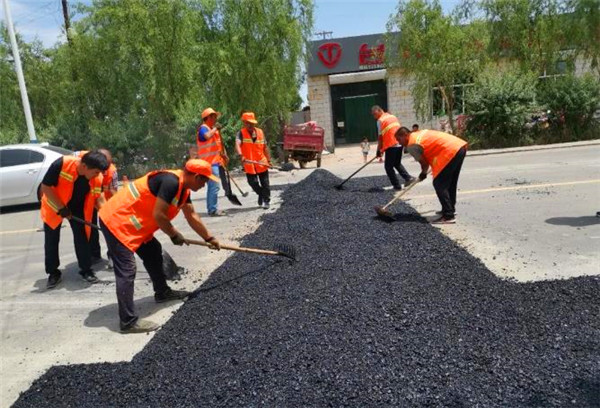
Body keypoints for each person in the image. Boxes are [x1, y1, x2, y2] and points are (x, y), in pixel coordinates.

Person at [98, 159, 222, 333]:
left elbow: (191, 214)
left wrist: (209, 238)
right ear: (195, 177)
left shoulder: (183, 188)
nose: (205, 185)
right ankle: (127, 322)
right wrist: (174, 234)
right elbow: (159, 215)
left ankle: (162, 292)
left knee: (153, 253)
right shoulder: (170, 182)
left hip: (136, 224)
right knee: (126, 270)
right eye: (205, 181)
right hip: (117, 221)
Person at [40, 151, 109, 289]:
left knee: (82, 236)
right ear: (84, 166)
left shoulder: (97, 177)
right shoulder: (62, 164)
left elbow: (99, 199)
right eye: (95, 172)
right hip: (55, 204)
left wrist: (109, 218)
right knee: (51, 238)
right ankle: (53, 272)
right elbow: (45, 187)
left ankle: (86, 270)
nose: (97, 175)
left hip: (78, 207)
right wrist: (61, 208)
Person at [395, 127, 467, 224]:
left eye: (399, 139)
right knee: (450, 183)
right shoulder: (418, 134)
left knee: (439, 184)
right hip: (458, 147)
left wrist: (423, 173)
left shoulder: (412, 144)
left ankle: (449, 216)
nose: (399, 143)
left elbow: (424, 164)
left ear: (405, 135)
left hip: (449, 151)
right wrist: (423, 173)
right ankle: (449, 209)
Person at [73, 149, 118, 265]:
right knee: (89, 229)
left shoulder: (111, 171)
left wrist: (116, 209)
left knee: (109, 228)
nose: (103, 171)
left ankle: (111, 255)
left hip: (103, 201)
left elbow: (112, 191)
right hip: (87, 201)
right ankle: (92, 256)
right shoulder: (85, 166)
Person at [371, 105, 415, 190]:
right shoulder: (392, 116)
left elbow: (380, 138)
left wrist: (378, 150)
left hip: (391, 145)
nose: (374, 117)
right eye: (373, 115)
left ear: (380, 111)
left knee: (388, 167)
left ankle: (397, 186)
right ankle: (408, 178)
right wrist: (381, 150)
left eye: (375, 114)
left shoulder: (380, 121)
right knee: (396, 163)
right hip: (399, 143)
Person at [236, 112, 272, 209]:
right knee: (253, 183)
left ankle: (266, 200)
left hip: (261, 162)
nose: (250, 125)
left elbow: (265, 147)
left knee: (265, 183)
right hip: (249, 163)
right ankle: (261, 194)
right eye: (248, 123)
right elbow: (237, 144)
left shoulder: (260, 132)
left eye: (252, 123)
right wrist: (241, 155)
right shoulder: (241, 133)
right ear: (244, 123)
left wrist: (269, 160)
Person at [196, 107, 229, 216]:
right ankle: (212, 210)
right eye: (214, 116)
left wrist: (224, 155)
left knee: (213, 186)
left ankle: (212, 208)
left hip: (215, 162)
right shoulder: (204, 129)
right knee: (214, 186)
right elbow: (206, 137)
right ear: (208, 117)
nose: (215, 119)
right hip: (208, 164)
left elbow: (218, 146)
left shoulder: (211, 129)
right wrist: (215, 129)